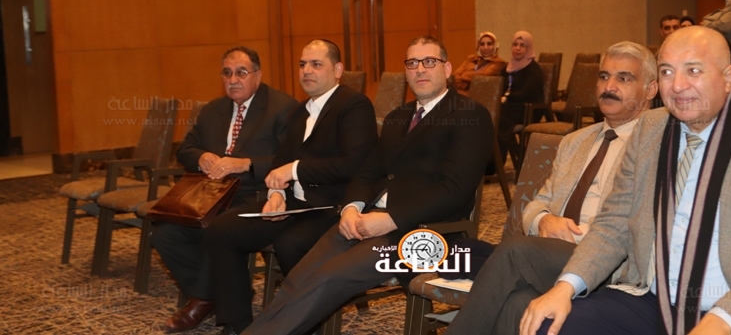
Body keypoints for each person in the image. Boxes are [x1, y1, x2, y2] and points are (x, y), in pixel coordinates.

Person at [521, 26, 731, 335]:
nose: (678, 85)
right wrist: (565, 286)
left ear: (728, 76)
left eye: (693, 70)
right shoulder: (649, 130)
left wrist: (721, 321)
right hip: (653, 298)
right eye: (667, 71)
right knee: (551, 325)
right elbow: (614, 222)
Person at [241, 36, 494, 335]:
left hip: (425, 234)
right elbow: (367, 172)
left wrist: (390, 219)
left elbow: (454, 191)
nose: (420, 69)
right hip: (367, 219)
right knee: (300, 277)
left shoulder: (469, 115)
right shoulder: (399, 117)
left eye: (429, 62)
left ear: (447, 68)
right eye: (412, 63)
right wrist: (351, 208)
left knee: (329, 277)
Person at [445, 41, 658, 335]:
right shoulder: (575, 142)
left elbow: (638, 222)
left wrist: (577, 233)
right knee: (517, 301)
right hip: (548, 253)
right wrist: (544, 220)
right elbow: (538, 201)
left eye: (624, 78)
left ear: (651, 89)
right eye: (604, 76)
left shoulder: (656, 146)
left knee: (514, 252)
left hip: (608, 261)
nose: (609, 86)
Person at [205, 40, 378, 335]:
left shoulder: (353, 105)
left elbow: (353, 165)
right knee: (221, 229)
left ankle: (303, 324)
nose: (306, 71)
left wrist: (294, 169)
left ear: (337, 70)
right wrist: (276, 195)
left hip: (332, 207)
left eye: (316, 64)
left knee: (290, 244)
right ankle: (239, 324)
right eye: (302, 64)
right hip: (295, 205)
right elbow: (280, 164)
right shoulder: (300, 111)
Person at [151, 46, 297, 332]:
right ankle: (223, 293)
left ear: (258, 75)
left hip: (256, 193)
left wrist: (246, 164)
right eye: (227, 73)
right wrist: (201, 157)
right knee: (164, 234)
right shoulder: (213, 110)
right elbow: (185, 149)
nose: (233, 80)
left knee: (218, 230)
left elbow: (291, 160)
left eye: (241, 73)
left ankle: (202, 301)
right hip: (210, 193)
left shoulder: (283, 108)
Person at [497, 30, 544, 162]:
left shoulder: (533, 69)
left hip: (528, 109)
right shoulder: (506, 69)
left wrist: (506, 98)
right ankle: (495, 159)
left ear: (528, 48)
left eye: (522, 45)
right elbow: (498, 88)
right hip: (509, 107)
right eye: (515, 44)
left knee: (497, 118)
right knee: (490, 116)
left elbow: (526, 93)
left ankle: (499, 160)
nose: (517, 48)